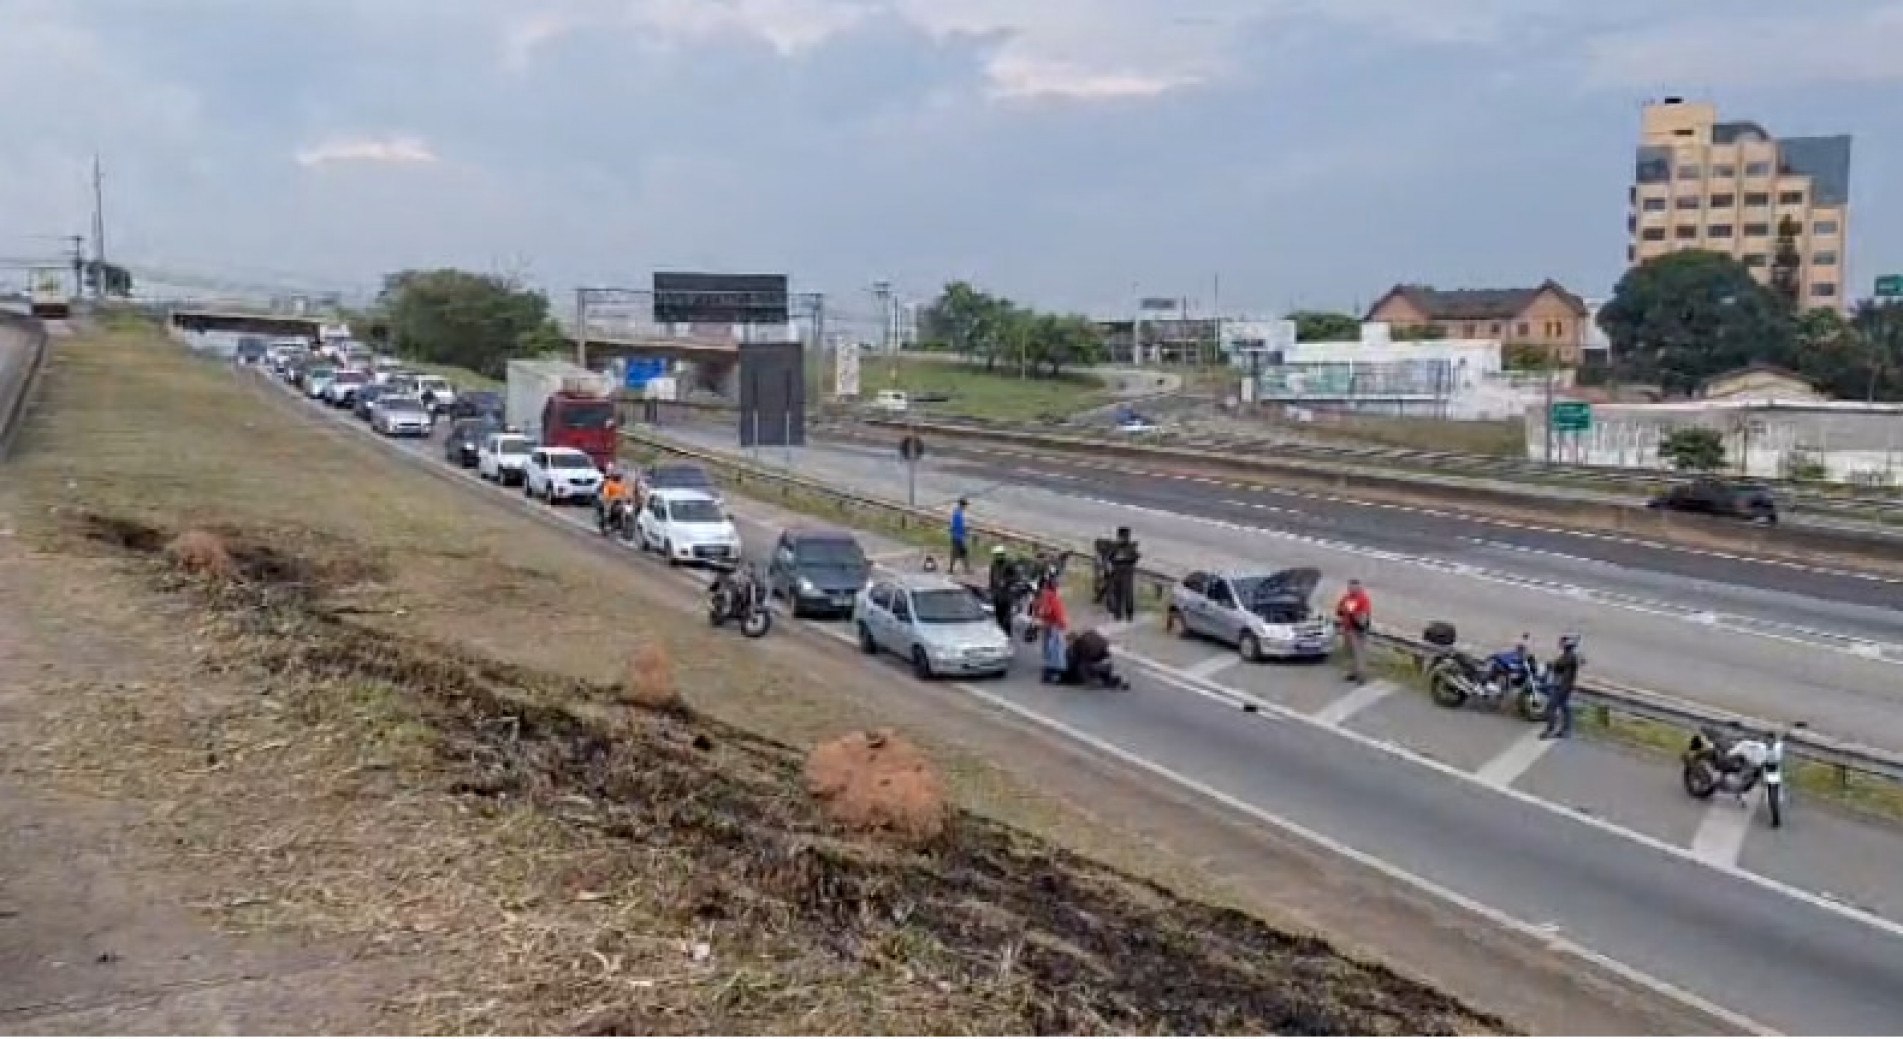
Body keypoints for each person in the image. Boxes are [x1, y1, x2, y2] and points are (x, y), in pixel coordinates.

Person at [1541, 633, 1582, 740]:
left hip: (1562, 686)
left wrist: (1551, 665)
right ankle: (1566, 730)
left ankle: (1550, 730)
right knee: (1565, 707)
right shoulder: (1570, 655)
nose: (1560, 643)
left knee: (1552, 707)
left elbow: (1559, 665)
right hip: (1565, 685)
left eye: (1563, 641)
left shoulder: (1569, 656)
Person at [1334, 578, 1372, 684]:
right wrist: (1343, 610)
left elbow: (1363, 616)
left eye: (1353, 587)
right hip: (1347, 629)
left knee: (1358, 653)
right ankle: (1352, 673)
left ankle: (1361, 676)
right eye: (1349, 587)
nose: (1351, 589)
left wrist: (1352, 612)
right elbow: (1339, 610)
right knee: (1348, 652)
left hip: (1357, 630)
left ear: (1358, 587)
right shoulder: (1346, 597)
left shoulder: (1363, 599)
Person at [1034, 577, 1070, 683]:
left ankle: (1050, 669)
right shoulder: (1052, 597)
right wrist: (1062, 623)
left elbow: (1040, 610)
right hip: (1055, 625)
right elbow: (1054, 611)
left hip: (1049, 625)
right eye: (1057, 586)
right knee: (1056, 649)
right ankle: (1055, 671)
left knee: (1050, 648)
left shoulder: (1045, 596)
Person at [1104, 527, 1140, 623]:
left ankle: (1129, 615)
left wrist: (1121, 559)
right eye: (1123, 536)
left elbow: (1135, 558)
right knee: (1118, 594)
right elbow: (1108, 558)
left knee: (1128, 595)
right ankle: (1118, 614)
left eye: (1126, 536)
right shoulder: (1115, 546)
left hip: (1127, 573)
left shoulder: (1131, 547)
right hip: (1117, 572)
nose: (1124, 538)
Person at [987, 546, 1015, 635]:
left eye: (998, 555)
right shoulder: (994, 564)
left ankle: (1007, 635)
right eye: (995, 555)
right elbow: (991, 578)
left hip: (1006, 596)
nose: (996, 557)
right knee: (998, 617)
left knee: (1006, 618)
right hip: (996, 595)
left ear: (1002, 554)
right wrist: (990, 589)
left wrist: (1006, 581)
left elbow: (1016, 577)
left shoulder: (1009, 564)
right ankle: (999, 634)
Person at [948, 498, 971, 575]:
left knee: (955, 553)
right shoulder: (961, 515)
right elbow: (962, 527)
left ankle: (951, 569)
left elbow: (951, 526)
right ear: (962, 505)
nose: (966, 507)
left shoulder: (955, 513)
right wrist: (967, 533)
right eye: (965, 505)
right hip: (960, 538)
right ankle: (967, 569)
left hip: (954, 536)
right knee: (964, 553)